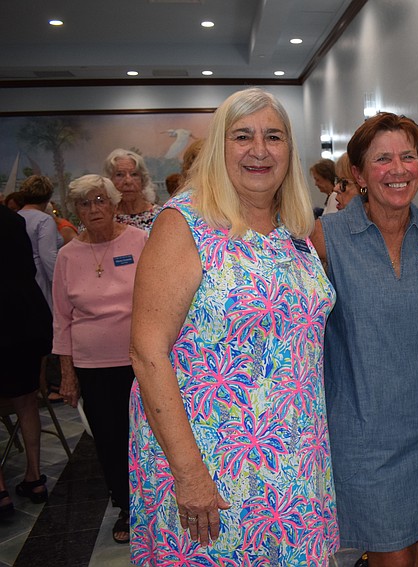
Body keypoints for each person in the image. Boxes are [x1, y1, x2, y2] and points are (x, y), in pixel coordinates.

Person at [128, 88, 338, 565]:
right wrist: (189, 473)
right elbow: (147, 352)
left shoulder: (294, 231)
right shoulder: (185, 224)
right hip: (213, 468)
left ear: (289, 150)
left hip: (295, 463)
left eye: (273, 137)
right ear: (219, 147)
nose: (259, 150)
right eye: (242, 136)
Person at [312, 112, 418, 567]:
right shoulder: (326, 238)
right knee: (393, 551)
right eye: (382, 159)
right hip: (366, 427)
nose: (398, 169)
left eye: (409, 156)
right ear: (359, 174)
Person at [52, 174, 148, 544]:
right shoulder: (67, 256)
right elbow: (62, 318)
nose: (93, 209)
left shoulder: (139, 241)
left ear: (112, 202)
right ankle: (125, 505)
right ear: (75, 210)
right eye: (84, 203)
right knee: (109, 439)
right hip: (92, 365)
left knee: (147, 435)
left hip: (140, 360)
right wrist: (67, 373)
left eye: (99, 200)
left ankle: (154, 501)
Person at [0, 205, 54, 515]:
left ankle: (1, 491)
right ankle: (34, 476)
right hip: (24, 318)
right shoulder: (14, 220)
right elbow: (27, 269)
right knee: (27, 402)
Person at [17, 175, 59, 311]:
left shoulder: (16, 217)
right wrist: (60, 284)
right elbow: (48, 256)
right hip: (40, 279)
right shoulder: (44, 220)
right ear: (48, 196)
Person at [103, 148, 162, 232]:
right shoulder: (103, 219)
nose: (128, 181)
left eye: (134, 174)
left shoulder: (160, 216)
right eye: (120, 175)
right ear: (109, 180)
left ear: (143, 180)